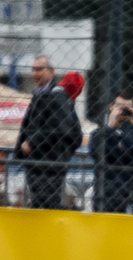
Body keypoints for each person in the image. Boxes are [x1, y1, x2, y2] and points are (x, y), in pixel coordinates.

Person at [14, 55, 82, 210]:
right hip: (39, 163)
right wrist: (21, 149)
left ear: (51, 72)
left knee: (46, 206)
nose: (35, 73)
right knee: (41, 205)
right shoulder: (41, 94)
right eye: (33, 69)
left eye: (39, 69)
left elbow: (61, 128)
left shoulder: (56, 96)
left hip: (49, 163)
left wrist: (31, 143)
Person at [90, 93, 133, 214]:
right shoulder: (101, 132)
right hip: (105, 193)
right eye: (120, 106)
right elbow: (95, 153)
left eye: (128, 107)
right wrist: (110, 127)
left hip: (129, 193)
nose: (123, 110)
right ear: (111, 107)